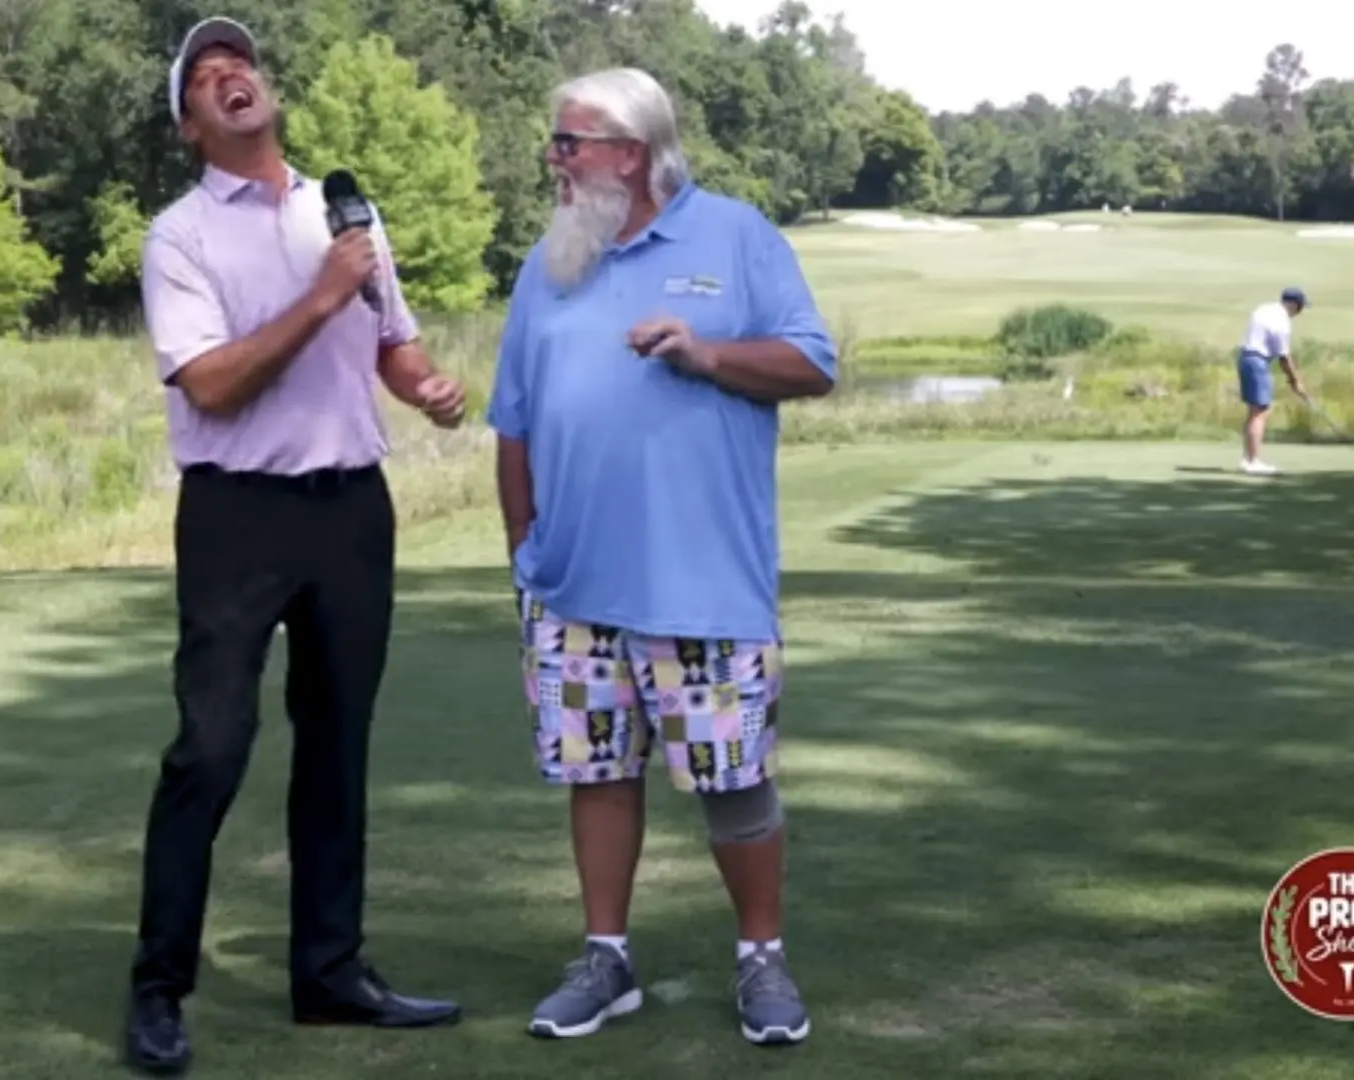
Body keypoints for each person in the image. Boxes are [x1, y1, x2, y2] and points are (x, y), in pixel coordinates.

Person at [123, 16, 466, 1074]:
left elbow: (390, 341)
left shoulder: (344, 214)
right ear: (191, 127)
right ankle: (157, 989)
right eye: (207, 76)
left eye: (242, 64)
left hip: (351, 512)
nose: (233, 77)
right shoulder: (179, 238)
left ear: (266, 94)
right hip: (237, 517)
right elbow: (214, 385)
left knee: (338, 748)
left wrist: (428, 389)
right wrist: (320, 295)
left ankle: (329, 976)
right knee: (210, 751)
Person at [485, 67, 836, 1047]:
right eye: (554, 143)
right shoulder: (548, 263)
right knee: (596, 775)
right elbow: (511, 423)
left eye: (569, 144)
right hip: (569, 590)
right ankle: (607, 957)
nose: (554, 162)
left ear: (630, 155)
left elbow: (814, 363)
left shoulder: (736, 237)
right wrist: (524, 553)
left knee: (734, 781)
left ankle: (760, 959)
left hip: (702, 581)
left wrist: (707, 352)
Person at [1236, 287, 1309, 475]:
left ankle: (1247, 458)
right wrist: (1295, 381)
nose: (1299, 312)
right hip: (1258, 361)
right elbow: (1284, 357)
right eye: (1300, 307)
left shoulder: (1264, 309)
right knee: (1260, 411)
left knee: (1254, 411)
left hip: (1245, 358)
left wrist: (1293, 380)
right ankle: (1253, 461)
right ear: (1293, 305)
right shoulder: (1282, 322)